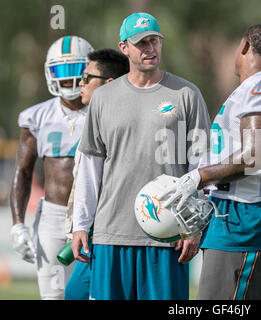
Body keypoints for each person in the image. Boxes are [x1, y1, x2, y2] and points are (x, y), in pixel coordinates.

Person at [71, 12, 211, 300]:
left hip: (167, 234)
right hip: (111, 235)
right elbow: (90, 167)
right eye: (141, 43)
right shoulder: (103, 98)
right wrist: (81, 225)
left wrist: (194, 229)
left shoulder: (187, 94)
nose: (150, 48)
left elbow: (202, 166)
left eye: (154, 41)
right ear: (125, 48)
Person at [164, 24, 261, 300]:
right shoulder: (254, 87)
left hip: (246, 222)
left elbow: (253, 157)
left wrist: (198, 177)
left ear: (244, 47)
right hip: (235, 218)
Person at [10, 36, 94, 300]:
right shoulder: (36, 117)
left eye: (75, 72)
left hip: (95, 215)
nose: (68, 81)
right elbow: (23, 172)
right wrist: (17, 224)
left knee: (96, 294)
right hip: (54, 216)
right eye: (61, 72)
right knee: (53, 296)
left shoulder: (103, 112)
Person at [64, 48, 129, 300]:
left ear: (109, 84)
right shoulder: (92, 119)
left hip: (111, 234)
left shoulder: (120, 125)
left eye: (86, 78)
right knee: (75, 293)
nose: (79, 84)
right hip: (91, 233)